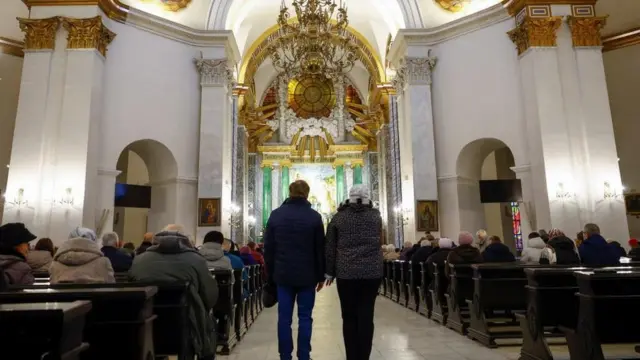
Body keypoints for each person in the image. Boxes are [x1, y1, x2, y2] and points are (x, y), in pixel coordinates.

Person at [130, 225, 218, 360]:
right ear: (185, 240)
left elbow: (131, 291)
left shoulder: (140, 260)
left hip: (145, 324)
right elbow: (210, 296)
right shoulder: (196, 260)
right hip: (187, 325)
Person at [264, 180, 325, 360]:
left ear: (289, 193)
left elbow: (269, 249)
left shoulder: (276, 215)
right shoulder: (314, 217)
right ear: (307, 193)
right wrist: (321, 275)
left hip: (282, 275)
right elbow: (319, 249)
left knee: (284, 318)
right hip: (307, 275)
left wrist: (271, 275)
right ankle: (304, 355)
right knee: (305, 317)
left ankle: (285, 356)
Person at [325, 185, 382, 360]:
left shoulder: (338, 217)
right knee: (366, 315)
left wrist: (329, 272)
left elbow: (330, 246)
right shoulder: (375, 216)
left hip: (346, 272)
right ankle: (364, 357)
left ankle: (352, 356)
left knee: (349, 317)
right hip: (372, 272)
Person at [50, 227, 115, 284]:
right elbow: (110, 286)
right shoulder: (104, 262)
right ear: (93, 241)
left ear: (69, 240)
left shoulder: (56, 263)